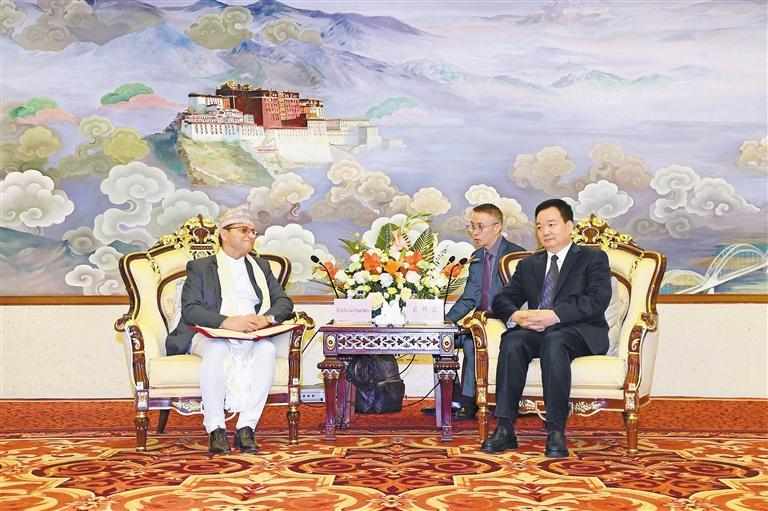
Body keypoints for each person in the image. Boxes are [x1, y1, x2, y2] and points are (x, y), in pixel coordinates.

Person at [481, 198, 611, 457]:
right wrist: (517, 315)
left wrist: (556, 316)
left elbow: (597, 300)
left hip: (579, 331)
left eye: (551, 224)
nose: (545, 232)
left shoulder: (592, 258)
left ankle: (555, 430)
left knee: (555, 340)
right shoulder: (530, 264)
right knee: (513, 340)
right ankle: (505, 428)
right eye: (539, 227)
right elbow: (503, 298)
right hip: (538, 332)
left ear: (569, 226)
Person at [165, 204, 294, 454]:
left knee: (267, 350)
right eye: (243, 230)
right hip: (209, 332)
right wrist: (227, 322)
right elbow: (190, 309)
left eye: (253, 231)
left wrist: (266, 318)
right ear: (224, 233)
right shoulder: (201, 267)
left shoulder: (261, 267)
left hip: (252, 333)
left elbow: (284, 302)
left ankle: (247, 427)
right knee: (218, 349)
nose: (250, 235)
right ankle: (216, 428)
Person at [423, 203, 524, 419]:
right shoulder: (477, 257)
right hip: (480, 322)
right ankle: (452, 400)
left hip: (507, 322)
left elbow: (522, 299)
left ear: (497, 227)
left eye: (480, 227)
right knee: (441, 340)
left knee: (471, 342)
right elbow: (469, 298)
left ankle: (471, 403)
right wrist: (444, 322)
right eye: (472, 227)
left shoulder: (515, 256)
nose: (475, 232)